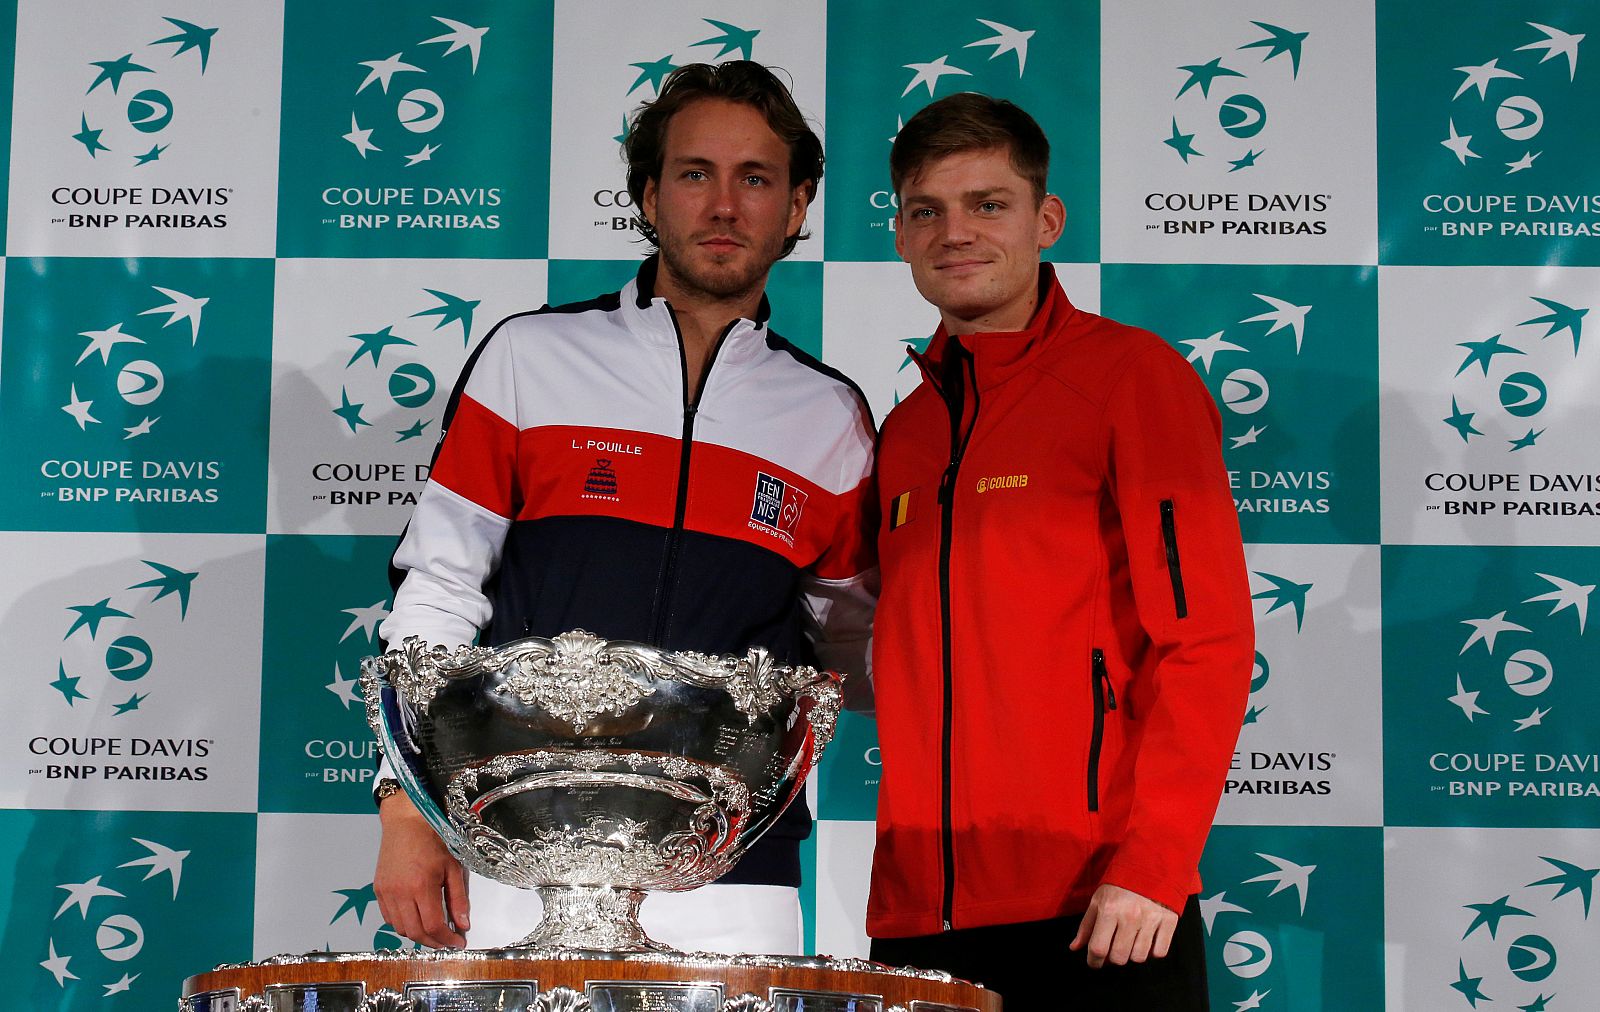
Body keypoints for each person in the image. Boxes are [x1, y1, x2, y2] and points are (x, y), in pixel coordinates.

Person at [371, 61, 877, 954]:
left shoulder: (830, 415)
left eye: (755, 179)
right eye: (694, 174)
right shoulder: (531, 356)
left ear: (797, 209)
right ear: (649, 195)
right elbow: (440, 589)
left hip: (735, 863)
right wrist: (407, 807)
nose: (724, 206)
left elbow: (849, 653)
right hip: (518, 843)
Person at [865, 93, 1254, 1008]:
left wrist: (1156, 865)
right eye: (928, 211)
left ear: (1047, 220)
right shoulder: (907, 430)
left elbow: (1207, 641)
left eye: (987, 204)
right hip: (920, 917)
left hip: (1099, 908)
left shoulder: (1131, 378)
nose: (954, 232)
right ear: (900, 236)